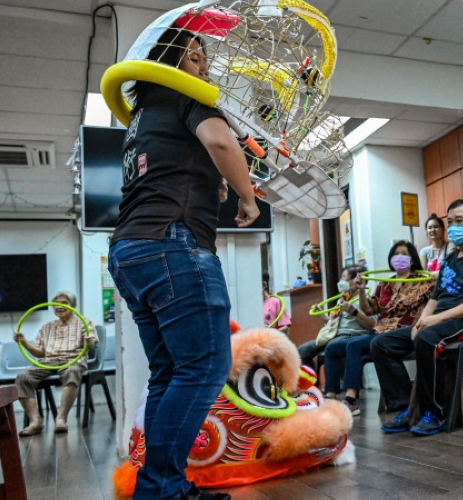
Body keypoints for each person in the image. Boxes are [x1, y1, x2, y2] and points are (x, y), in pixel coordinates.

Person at [107, 28, 259, 500]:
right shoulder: (186, 95)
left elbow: (175, 167)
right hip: (173, 245)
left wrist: (209, 182)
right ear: (172, 60)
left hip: (130, 251)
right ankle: (158, 490)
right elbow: (220, 143)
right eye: (196, 57)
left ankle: (165, 485)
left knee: (171, 373)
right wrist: (247, 198)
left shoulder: (142, 115)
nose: (204, 67)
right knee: (206, 367)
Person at [372, 199, 463, 436]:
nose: (453, 226)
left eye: (459, 221)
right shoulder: (451, 259)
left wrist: (435, 321)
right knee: (381, 344)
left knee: (427, 338)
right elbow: (435, 297)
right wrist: (422, 319)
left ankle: (436, 413)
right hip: (442, 322)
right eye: (450, 221)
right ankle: (409, 408)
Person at [325, 241, 435, 416]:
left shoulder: (423, 282)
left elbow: (436, 299)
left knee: (353, 345)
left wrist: (435, 275)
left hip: (402, 332)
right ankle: (330, 396)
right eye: (395, 254)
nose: (399, 257)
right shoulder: (384, 284)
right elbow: (369, 309)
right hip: (378, 332)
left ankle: (352, 399)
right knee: (332, 347)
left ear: (412, 258)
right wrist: (361, 290)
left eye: (404, 253)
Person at [13, 291, 97, 436]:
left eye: (64, 303)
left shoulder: (83, 322)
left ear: (73, 306)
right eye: (57, 304)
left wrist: (89, 342)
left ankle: (61, 418)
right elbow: (39, 353)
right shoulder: (46, 327)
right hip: (47, 362)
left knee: (72, 371)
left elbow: (92, 341)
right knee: (23, 376)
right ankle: (35, 422)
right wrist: (24, 342)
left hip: (72, 360)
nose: (59, 307)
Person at [297, 265, 374, 410]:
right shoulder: (341, 299)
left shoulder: (363, 299)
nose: (341, 281)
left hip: (350, 336)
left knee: (333, 347)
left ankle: (334, 394)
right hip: (333, 335)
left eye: (345, 278)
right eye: (341, 277)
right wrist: (322, 315)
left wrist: (353, 311)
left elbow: (369, 323)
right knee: (302, 350)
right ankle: (311, 390)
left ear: (356, 280)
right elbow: (334, 323)